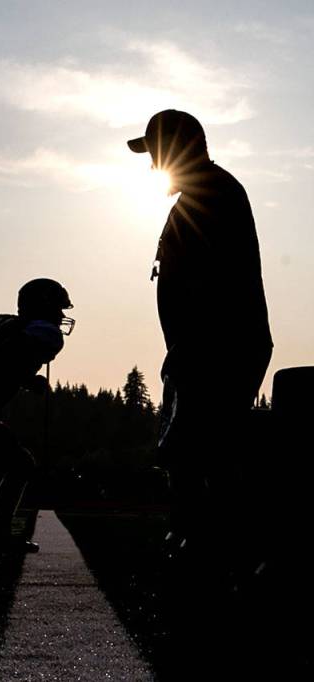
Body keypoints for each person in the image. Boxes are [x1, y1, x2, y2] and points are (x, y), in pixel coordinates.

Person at [127, 110, 272, 555]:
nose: (153, 166)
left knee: (201, 450)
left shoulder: (213, 194)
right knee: (196, 449)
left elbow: (213, 282)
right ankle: (208, 538)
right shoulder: (201, 195)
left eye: (156, 154)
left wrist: (192, 349)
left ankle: (217, 544)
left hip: (215, 347)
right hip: (205, 346)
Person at [0, 278, 75, 553]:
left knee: (14, 464)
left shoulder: (1, 323)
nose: (61, 317)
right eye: (58, 309)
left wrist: (25, 378)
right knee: (19, 465)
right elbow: (6, 359)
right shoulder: (41, 334)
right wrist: (25, 376)